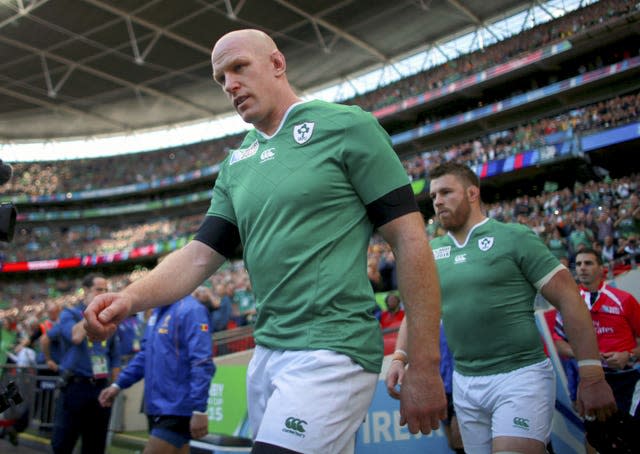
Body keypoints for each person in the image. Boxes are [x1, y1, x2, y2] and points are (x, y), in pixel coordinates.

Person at [84, 28, 446, 453]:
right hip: (267, 354)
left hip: (332, 348)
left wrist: (424, 362)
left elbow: (409, 239)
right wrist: (127, 300)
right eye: (221, 79)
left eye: (239, 68)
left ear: (277, 64)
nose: (231, 85)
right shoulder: (236, 164)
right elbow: (199, 256)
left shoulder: (348, 126)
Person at [387, 162, 616, 453]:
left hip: (520, 376)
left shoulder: (514, 237)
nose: (438, 201)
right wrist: (399, 356)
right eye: (433, 196)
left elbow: (570, 298)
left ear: (472, 193)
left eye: (446, 192)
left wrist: (592, 374)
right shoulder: (432, 252)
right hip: (465, 382)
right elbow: (418, 312)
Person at [98, 293, 215, 454]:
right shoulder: (157, 312)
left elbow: (202, 362)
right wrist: (118, 385)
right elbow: (144, 355)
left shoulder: (191, 310)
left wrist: (199, 409)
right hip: (156, 407)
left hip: (176, 409)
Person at [553, 249, 640, 422]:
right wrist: (586, 356)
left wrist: (629, 355)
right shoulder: (568, 303)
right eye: (578, 264)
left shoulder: (623, 299)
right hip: (590, 378)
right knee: (594, 436)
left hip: (627, 377)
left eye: (588, 263)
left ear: (602, 269)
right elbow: (559, 343)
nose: (582, 268)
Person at [49, 273, 121, 454]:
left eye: (106, 290)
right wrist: (92, 312)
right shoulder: (70, 314)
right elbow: (75, 336)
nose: (103, 293)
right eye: (99, 290)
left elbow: (115, 357)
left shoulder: (109, 319)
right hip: (75, 386)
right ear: (86, 291)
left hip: (100, 388)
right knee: (63, 443)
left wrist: (114, 387)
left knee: (95, 446)